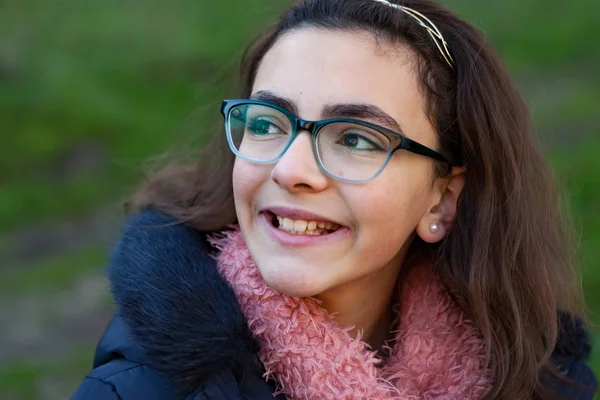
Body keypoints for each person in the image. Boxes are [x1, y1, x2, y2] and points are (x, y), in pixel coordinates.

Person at [70, 0, 597, 399]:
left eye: (356, 139)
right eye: (267, 123)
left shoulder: (541, 379)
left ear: (442, 201)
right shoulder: (134, 390)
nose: (291, 170)